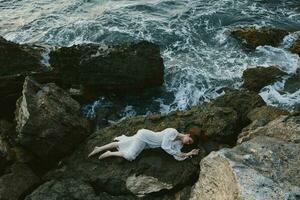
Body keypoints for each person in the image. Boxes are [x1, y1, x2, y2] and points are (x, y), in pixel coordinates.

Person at [87, 127, 200, 161]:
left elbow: (177, 156)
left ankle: (98, 148)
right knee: (131, 156)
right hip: (145, 137)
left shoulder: (178, 143)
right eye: (189, 141)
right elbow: (165, 147)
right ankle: (109, 153)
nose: (188, 143)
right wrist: (183, 153)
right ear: (188, 135)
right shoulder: (173, 132)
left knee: (123, 143)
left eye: (189, 144)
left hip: (147, 143)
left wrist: (189, 153)